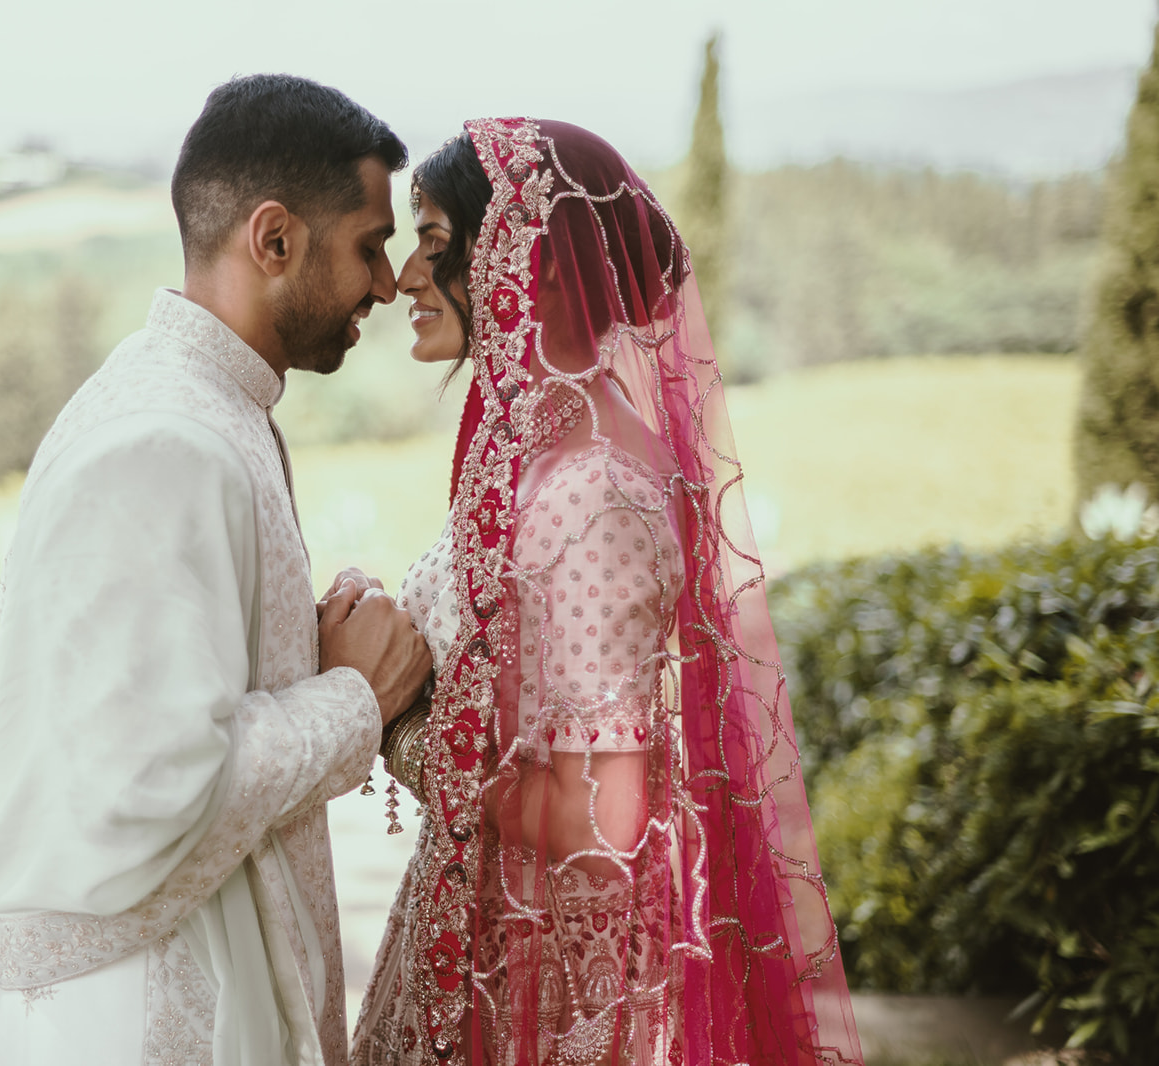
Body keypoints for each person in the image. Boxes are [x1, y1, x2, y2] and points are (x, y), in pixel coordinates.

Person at [349, 120, 863, 1066]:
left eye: (435, 242)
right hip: (487, 935)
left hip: (543, 994)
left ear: (531, 265)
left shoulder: (595, 493)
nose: (408, 277)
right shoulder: (548, 450)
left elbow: (603, 823)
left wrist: (395, 722)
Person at [0, 75, 433, 1066]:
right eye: (369, 245)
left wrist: (302, 650)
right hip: (140, 1013)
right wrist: (357, 696)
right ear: (274, 240)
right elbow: (148, 784)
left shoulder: (204, 406)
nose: (387, 285)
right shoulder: (164, 439)